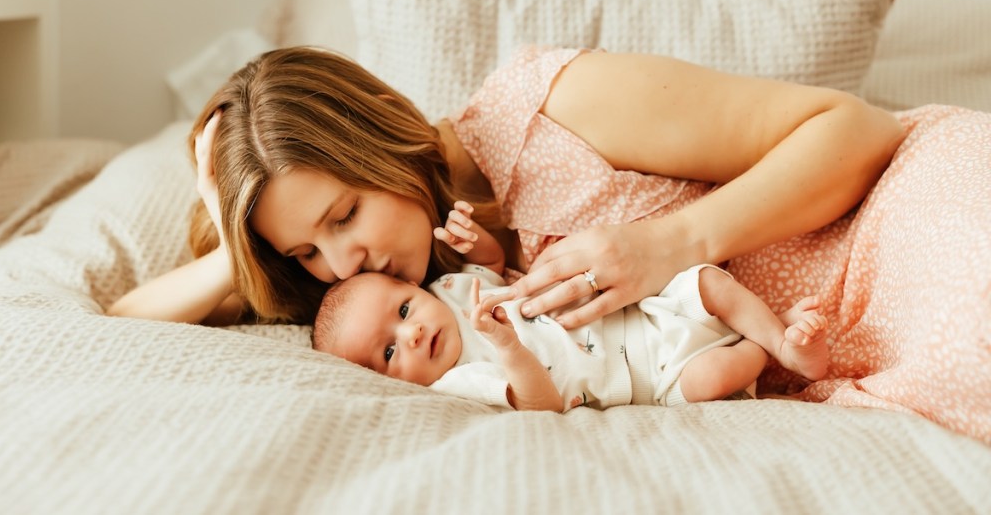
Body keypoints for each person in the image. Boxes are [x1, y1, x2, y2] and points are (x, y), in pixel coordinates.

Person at [108, 45, 991, 442]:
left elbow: (858, 129)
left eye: (343, 216)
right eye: (305, 253)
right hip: (826, 338)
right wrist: (235, 238)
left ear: (379, 134)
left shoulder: (548, 110)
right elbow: (125, 325)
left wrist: (671, 242)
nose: (343, 265)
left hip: (899, 209)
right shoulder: (396, 310)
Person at [311, 202, 829, 411]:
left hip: (641, 311)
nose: (412, 334)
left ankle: (780, 339)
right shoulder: (456, 382)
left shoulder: (449, 290)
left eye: (403, 311)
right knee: (712, 378)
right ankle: (763, 347)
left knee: (708, 282)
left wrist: (475, 242)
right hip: (650, 374)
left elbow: (495, 267)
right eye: (389, 352)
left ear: (414, 288)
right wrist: (508, 347)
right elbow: (539, 404)